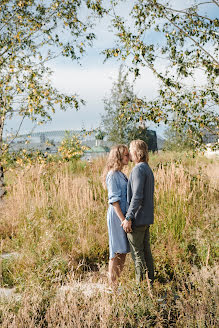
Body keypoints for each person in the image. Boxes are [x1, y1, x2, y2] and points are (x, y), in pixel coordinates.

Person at [121, 140, 154, 284]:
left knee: (137, 254)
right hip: (146, 218)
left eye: (130, 150)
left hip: (137, 218)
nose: (128, 153)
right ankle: (150, 283)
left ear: (136, 152)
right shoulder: (147, 168)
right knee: (146, 252)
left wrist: (128, 217)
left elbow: (137, 196)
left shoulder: (138, 169)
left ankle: (140, 287)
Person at [104, 144, 130, 287]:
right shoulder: (113, 175)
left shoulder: (121, 174)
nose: (128, 157)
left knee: (123, 251)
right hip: (117, 216)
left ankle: (116, 283)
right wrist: (123, 220)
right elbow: (114, 200)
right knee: (116, 251)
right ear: (119, 157)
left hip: (123, 216)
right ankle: (111, 286)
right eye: (126, 155)